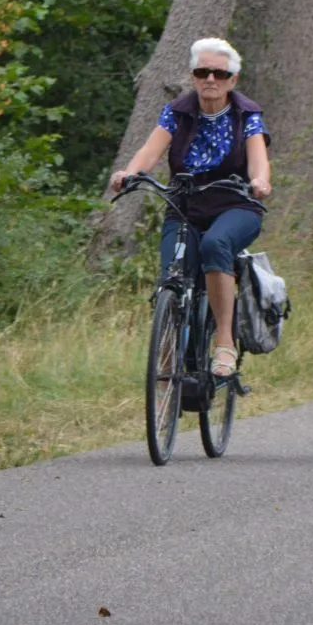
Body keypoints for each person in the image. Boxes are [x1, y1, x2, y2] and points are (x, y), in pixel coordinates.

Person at [109, 38, 272, 378]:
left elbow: (258, 158)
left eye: (219, 73)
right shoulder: (177, 111)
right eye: (202, 72)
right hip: (184, 206)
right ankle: (168, 367)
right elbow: (150, 150)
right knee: (172, 274)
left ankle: (224, 342)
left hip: (236, 204)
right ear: (192, 77)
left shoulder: (246, 114)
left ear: (232, 80)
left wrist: (260, 181)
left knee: (216, 244)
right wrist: (129, 173)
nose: (210, 79)